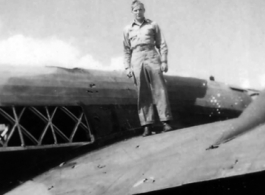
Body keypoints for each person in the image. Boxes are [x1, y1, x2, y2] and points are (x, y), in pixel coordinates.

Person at [123, 0, 173, 136]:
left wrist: (164, 61)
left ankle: (165, 121)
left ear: (144, 10)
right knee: (142, 92)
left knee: (160, 88)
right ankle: (147, 125)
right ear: (132, 12)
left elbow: (161, 44)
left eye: (140, 9)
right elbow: (127, 50)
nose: (138, 12)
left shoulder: (153, 25)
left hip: (151, 55)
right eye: (135, 10)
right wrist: (127, 67)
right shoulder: (127, 29)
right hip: (137, 57)